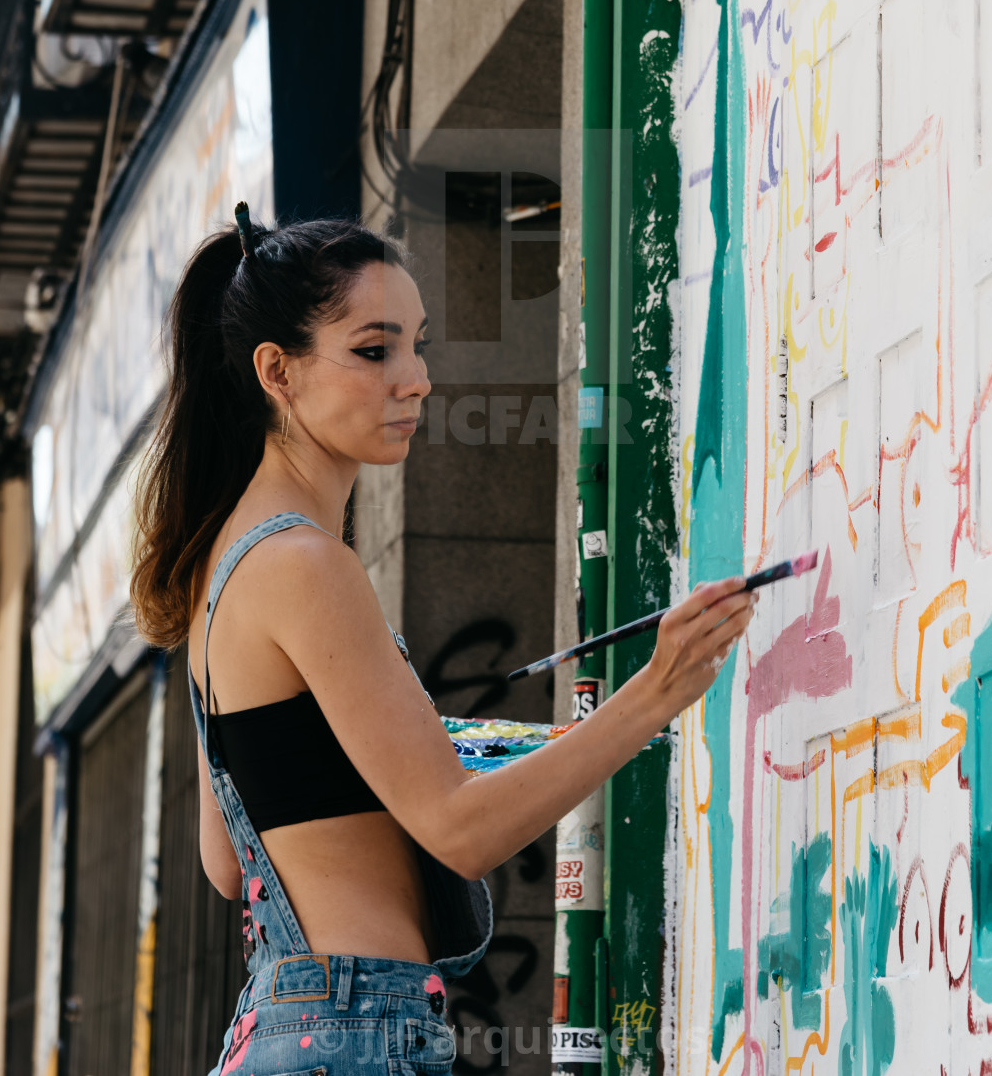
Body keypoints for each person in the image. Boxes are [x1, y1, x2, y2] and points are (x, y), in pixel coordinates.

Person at [130, 206, 755, 1076]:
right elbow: (460, 831)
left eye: (418, 345)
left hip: (287, 1027)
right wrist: (658, 690)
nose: (416, 379)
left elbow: (229, 864)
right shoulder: (305, 563)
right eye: (375, 350)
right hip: (354, 1030)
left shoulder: (225, 566)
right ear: (277, 370)